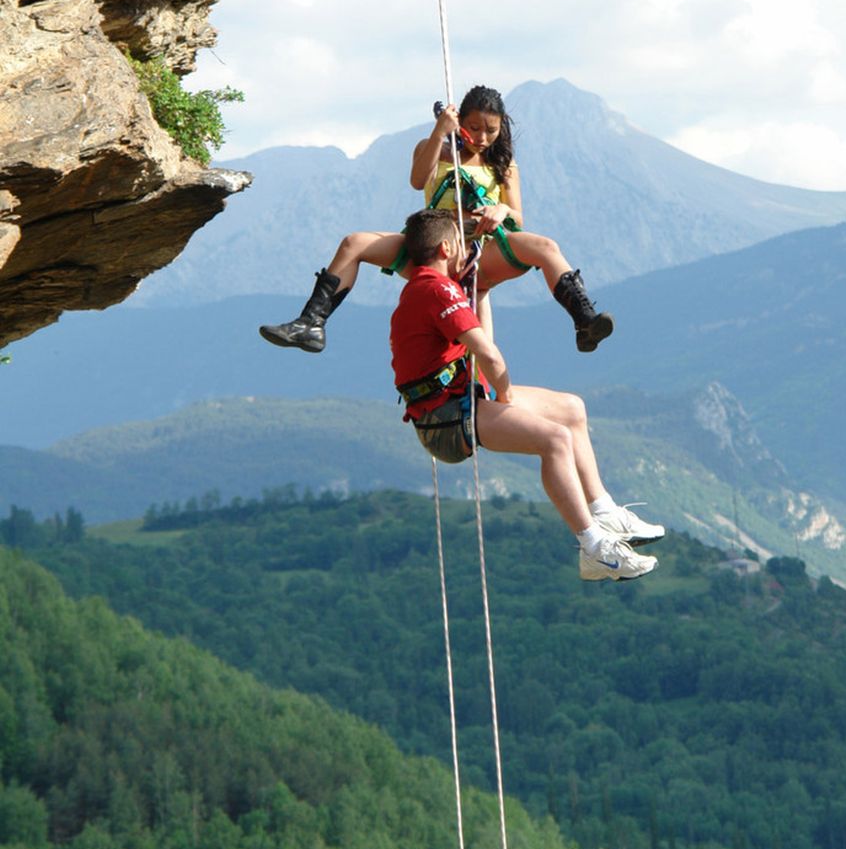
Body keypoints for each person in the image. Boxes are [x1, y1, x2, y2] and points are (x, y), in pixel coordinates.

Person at [390, 206, 664, 583]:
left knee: (571, 410)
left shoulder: (426, 289)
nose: (467, 251)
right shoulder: (437, 290)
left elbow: (481, 346)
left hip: (453, 402)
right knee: (555, 439)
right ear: (446, 249)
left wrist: (480, 289)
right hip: (447, 417)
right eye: (461, 244)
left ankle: (604, 510)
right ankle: (595, 548)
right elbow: (488, 355)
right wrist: (504, 397)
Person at [259, 85, 613, 355]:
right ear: (460, 123)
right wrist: (440, 132)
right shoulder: (434, 148)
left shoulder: (503, 164)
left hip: (480, 250)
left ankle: (584, 321)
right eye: (474, 127)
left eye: (491, 130)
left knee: (546, 247)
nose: (482, 138)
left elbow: (517, 217)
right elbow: (418, 181)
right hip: (431, 246)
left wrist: (501, 210)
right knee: (354, 243)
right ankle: (312, 323)